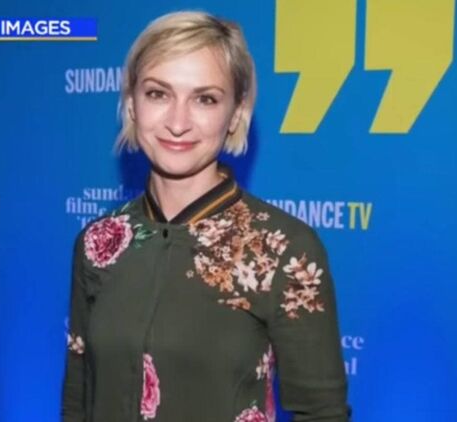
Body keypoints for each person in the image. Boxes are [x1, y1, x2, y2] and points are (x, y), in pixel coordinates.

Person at [62, 10, 351, 422]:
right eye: (158, 94)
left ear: (236, 113)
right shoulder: (98, 243)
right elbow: (78, 400)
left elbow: (322, 414)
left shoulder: (285, 249)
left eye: (205, 99)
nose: (178, 122)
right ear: (131, 104)